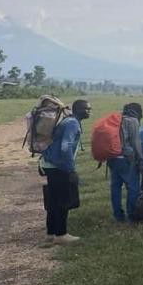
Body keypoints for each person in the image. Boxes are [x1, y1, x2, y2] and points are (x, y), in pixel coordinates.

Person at [40, 99, 91, 245]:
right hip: (60, 167)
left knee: (53, 201)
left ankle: (51, 234)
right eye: (86, 109)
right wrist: (71, 169)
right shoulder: (73, 123)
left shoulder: (67, 121)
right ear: (78, 109)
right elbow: (65, 147)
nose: (89, 112)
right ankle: (61, 234)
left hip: (51, 165)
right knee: (63, 200)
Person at [107, 103, 143, 222]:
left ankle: (118, 215)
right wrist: (141, 159)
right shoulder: (132, 121)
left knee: (116, 187)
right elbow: (135, 142)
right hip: (126, 159)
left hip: (112, 158)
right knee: (133, 187)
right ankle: (132, 215)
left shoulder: (115, 119)